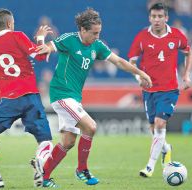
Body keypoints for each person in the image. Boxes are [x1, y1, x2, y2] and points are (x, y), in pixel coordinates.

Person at [34, 8, 153, 187]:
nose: (97, 36)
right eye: (94, 33)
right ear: (83, 29)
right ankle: (82, 169)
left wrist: (140, 72)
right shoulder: (69, 39)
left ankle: (44, 177)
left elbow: (119, 61)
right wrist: (43, 43)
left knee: (68, 142)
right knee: (90, 126)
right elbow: (47, 49)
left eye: (99, 32)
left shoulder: (97, 45)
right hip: (61, 94)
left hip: (74, 97)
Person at [0, 8, 54, 189]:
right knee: (46, 141)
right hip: (31, 97)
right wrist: (41, 38)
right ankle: (40, 162)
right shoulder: (18, 36)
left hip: (9, 99)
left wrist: (4, 71)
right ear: (10, 24)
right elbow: (42, 56)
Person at [128, 3, 192, 178]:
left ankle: (149, 166)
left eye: (160, 16)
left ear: (166, 18)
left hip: (169, 89)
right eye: (154, 17)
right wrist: (138, 78)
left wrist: (186, 76)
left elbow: (188, 52)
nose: (157, 20)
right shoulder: (142, 37)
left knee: (159, 124)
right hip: (149, 91)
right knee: (154, 129)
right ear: (149, 18)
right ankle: (166, 148)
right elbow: (131, 62)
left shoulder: (177, 36)